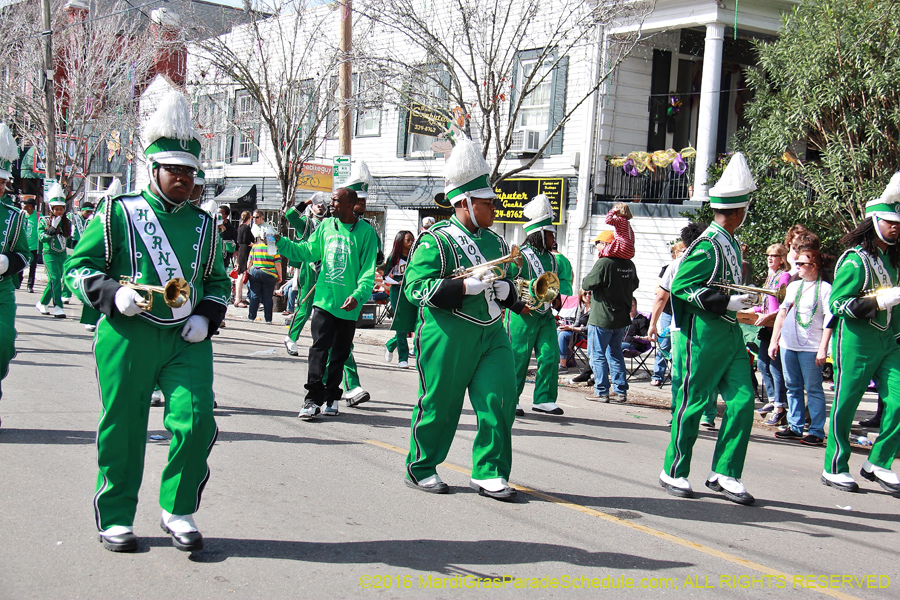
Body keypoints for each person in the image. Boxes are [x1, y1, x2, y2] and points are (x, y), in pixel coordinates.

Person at [65, 90, 230, 552]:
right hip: (127, 335)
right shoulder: (119, 212)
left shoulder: (205, 225)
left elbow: (216, 281)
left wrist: (208, 315)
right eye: (174, 170)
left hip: (186, 340)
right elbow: (78, 268)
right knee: (124, 424)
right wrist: (114, 293)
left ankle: (177, 508)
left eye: (190, 172)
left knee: (197, 421)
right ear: (154, 169)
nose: (183, 179)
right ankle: (116, 514)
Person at [393, 136, 526, 501]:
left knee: (499, 399)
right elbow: (415, 288)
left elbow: (514, 284)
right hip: (446, 332)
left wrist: (509, 293)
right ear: (466, 203)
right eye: (488, 202)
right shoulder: (435, 241)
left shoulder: (497, 243)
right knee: (440, 404)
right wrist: (463, 288)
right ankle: (421, 467)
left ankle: (489, 472)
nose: (495, 207)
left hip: (492, 333)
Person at [659, 151, 759, 506]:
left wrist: (737, 300)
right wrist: (723, 302)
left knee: (743, 401)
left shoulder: (729, 241)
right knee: (693, 404)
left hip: (729, 335)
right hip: (702, 335)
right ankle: (674, 469)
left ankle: (726, 472)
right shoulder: (708, 244)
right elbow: (682, 285)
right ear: (739, 210)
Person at [821, 174, 900, 494]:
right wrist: (878, 301)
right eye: (891, 221)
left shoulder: (891, 260)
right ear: (875, 221)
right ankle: (834, 466)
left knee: (898, 401)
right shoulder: (854, 260)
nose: (897, 227)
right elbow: (838, 304)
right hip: (855, 341)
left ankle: (879, 462)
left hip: (888, 341)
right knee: (846, 404)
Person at [273, 180, 378, 420]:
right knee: (318, 350)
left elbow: (368, 272)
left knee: (339, 354)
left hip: (349, 306)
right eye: (331, 200)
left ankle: (332, 396)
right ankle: (311, 400)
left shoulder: (366, 233)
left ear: (351, 206)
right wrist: (281, 242)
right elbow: (307, 251)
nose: (331, 205)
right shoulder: (326, 226)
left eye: (337, 201)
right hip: (323, 302)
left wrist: (358, 295)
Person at [506, 194, 573, 416]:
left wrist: (555, 297)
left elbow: (553, 282)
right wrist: (516, 303)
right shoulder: (521, 256)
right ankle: (511, 398)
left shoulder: (553, 259)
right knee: (518, 357)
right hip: (522, 313)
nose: (554, 238)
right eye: (551, 234)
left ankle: (544, 399)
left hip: (544, 313)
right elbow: (507, 282)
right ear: (540, 235)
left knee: (550, 354)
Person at [769, 247, 833, 446]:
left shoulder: (825, 289)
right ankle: (795, 426)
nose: (797, 268)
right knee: (792, 387)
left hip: (811, 346)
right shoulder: (794, 286)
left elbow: (829, 321)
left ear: (813, 266)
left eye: (801, 264)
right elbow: (782, 313)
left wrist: (823, 348)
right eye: (796, 264)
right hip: (789, 343)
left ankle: (816, 430)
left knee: (813, 389)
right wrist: (774, 340)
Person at [582, 230, 639, 403]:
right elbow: (634, 284)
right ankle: (620, 391)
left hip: (601, 317)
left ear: (606, 245)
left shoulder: (604, 262)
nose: (596, 246)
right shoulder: (629, 264)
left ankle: (601, 391)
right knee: (615, 353)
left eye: (597, 243)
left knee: (597, 353)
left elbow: (587, 283)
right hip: (620, 317)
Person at [0, 123, 32, 427]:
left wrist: (6, 263)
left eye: (2, 182)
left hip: (1, 291)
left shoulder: (13, 217)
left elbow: (24, 254)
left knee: (3, 343)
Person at [282, 192, 327, 356]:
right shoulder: (306, 223)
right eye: (317, 204)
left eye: (323, 204)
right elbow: (290, 215)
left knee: (324, 307)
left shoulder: (329, 225)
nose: (320, 206)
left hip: (327, 269)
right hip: (309, 268)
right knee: (305, 306)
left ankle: (323, 344)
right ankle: (291, 337)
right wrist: (308, 201)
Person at [754, 243, 792, 425]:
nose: (770, 258)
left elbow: (782, 305)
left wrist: (768, 315)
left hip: (777, 327)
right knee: (762, 364)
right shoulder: (771, 277)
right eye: (768, 255)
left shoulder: (783, 276)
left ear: (782, 259)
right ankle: (771, 399)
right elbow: (765, 303)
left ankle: (780, 406)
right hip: (767, 328)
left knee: (775, 368)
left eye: (775, 255)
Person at [36, 183, 70, 318]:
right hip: (49, 254)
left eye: (61, 209)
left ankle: (42, 303)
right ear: (51, 209)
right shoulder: (44, 221)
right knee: (55, 279)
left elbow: (69, 238)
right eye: (56, 209)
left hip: (62, 254)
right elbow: (41, 238)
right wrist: (51, 230)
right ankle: (58, 306)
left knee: (57, 280)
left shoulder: (66, 221)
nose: (59, 212)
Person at [384, 230, 415, 369]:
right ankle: (403, 358)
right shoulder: (393, 257)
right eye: (408, 240)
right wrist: (398, 282)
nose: (411, 242)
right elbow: (386, 276)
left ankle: (390, 345)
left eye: (412, 239)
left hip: (412, 289)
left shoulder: (415, 256)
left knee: (414, 323)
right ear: (400, 241)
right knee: (401, 324)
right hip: (397, 291)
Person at [61, 197, 96, 303]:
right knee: (69, 271)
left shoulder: (91, 221)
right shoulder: (72, 218)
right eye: (87, 211)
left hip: (84, 250)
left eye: (91, 212)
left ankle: (83, 296)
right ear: (81, 210)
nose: (89, 214)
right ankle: (65, 294)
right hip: (71, 249)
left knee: (83, 273)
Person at [246, 230, 282, 324]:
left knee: (254, 295)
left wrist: (248, 270)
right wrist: (280, 276)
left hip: (255, 273)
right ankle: (268, 319)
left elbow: (249, 261)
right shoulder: (274, 249)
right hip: (270, 274)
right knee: (268, 297)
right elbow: (277, 264)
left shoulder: (255, 247)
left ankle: (251, 317)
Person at [19, 195, 39, 293]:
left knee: (32, 267)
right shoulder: (22, 215)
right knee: (20, 264)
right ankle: (18, 281)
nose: (23, 205)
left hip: (34, 246)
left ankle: (30, 285)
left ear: (30, 206)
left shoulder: (38, 216)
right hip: (22, 246)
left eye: (25, 204)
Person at [234, 210, 254, 307]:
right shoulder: (246, 228)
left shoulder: (240, 227)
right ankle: (238, 299)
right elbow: (246, 240)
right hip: (245, 251)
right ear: (249, 218)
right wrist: (255, 245)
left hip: (241, 250)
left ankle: (238, 298)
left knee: (240, 275)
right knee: (241, 275)